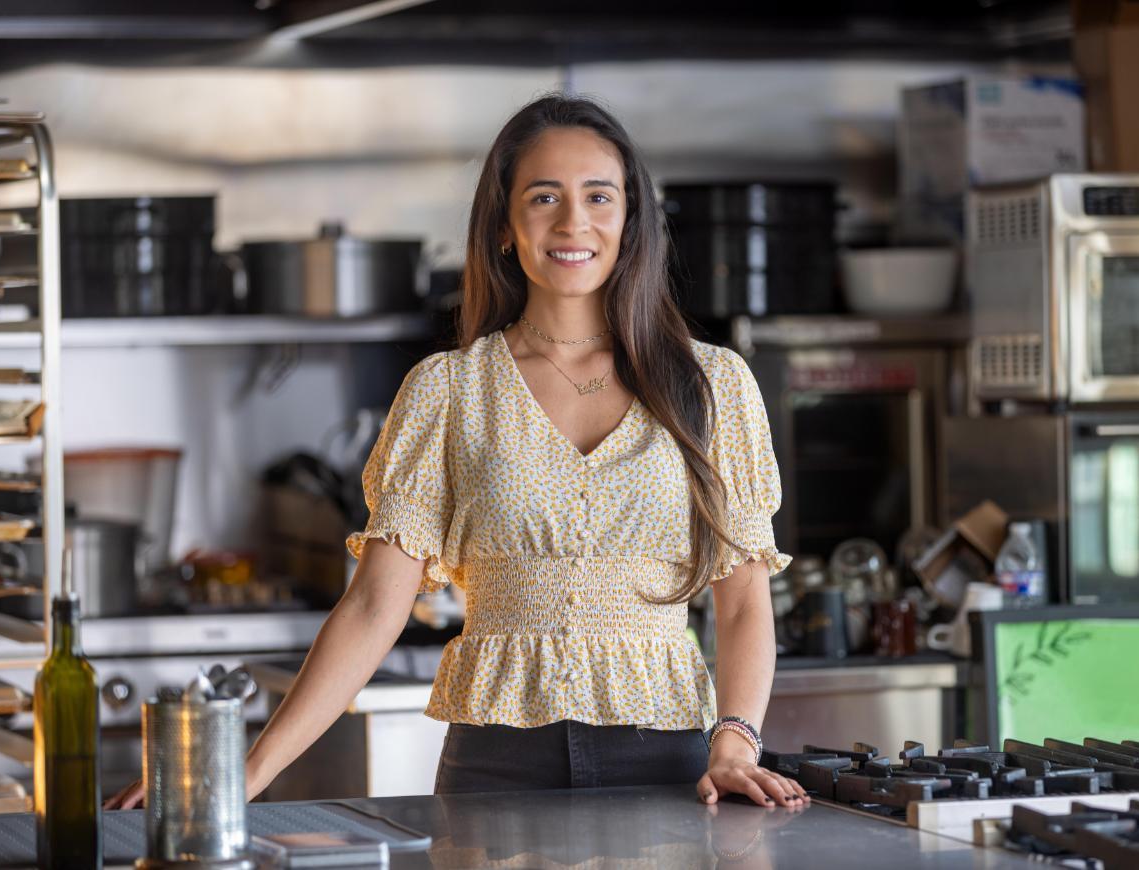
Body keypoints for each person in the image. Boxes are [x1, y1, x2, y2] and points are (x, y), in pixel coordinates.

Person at [108, 93, 807, 810]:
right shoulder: (448, 390)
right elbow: (373, 607)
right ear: (505, 227)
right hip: (496, 763)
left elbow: (745, 600)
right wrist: (244, 773)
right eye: (543, 198)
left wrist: (735, 740)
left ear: (630, 222)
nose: (573, 222)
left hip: (667, 760)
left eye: (599, 196)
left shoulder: (711, 384)